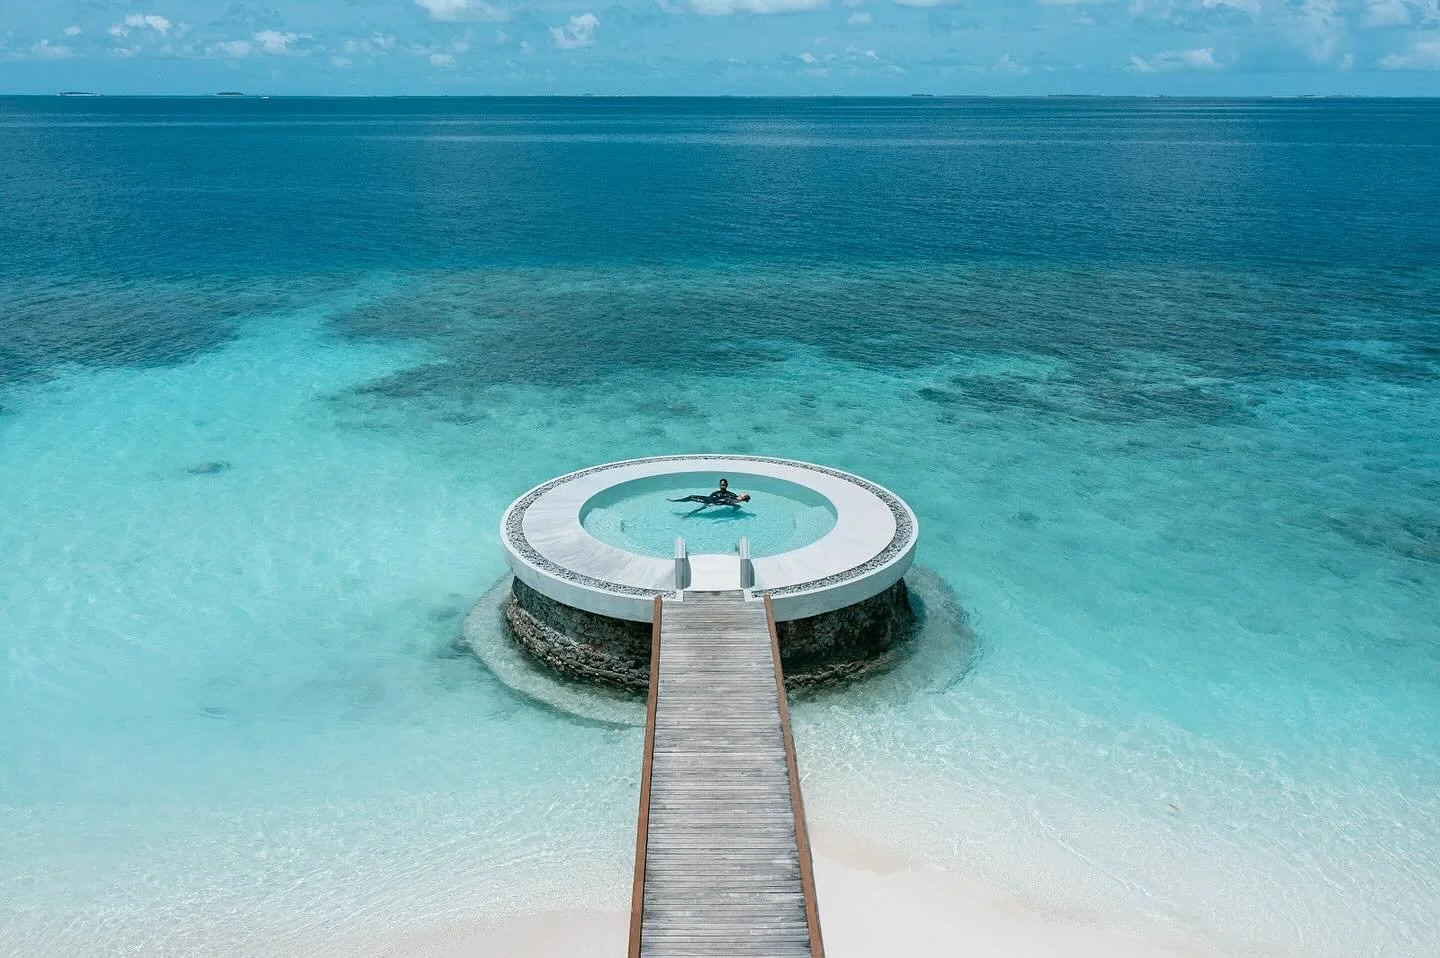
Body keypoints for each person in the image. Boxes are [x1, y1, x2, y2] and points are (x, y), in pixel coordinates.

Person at [668, 478, 751, 507]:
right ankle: (676, 500)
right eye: (721, 485)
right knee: (690, 497)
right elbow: (708, 499)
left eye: (724, 485)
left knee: (691, 497)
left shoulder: (731, 495)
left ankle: (675, 501)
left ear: (727, 485)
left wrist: (736, 506)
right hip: (710, 500)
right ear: (719, 485)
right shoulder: (715, 492)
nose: (722, 486)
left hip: (713, 502)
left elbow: (732, 501)